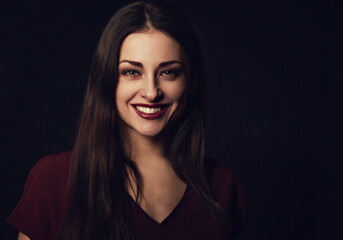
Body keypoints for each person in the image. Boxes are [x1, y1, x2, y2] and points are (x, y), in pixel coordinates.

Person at [7, 1, 248, 240]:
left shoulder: (222, 186)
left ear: (191, 81)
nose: (152, 92)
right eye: (132, 72)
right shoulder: (54, 179)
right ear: (107, 81)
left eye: (168, 72)